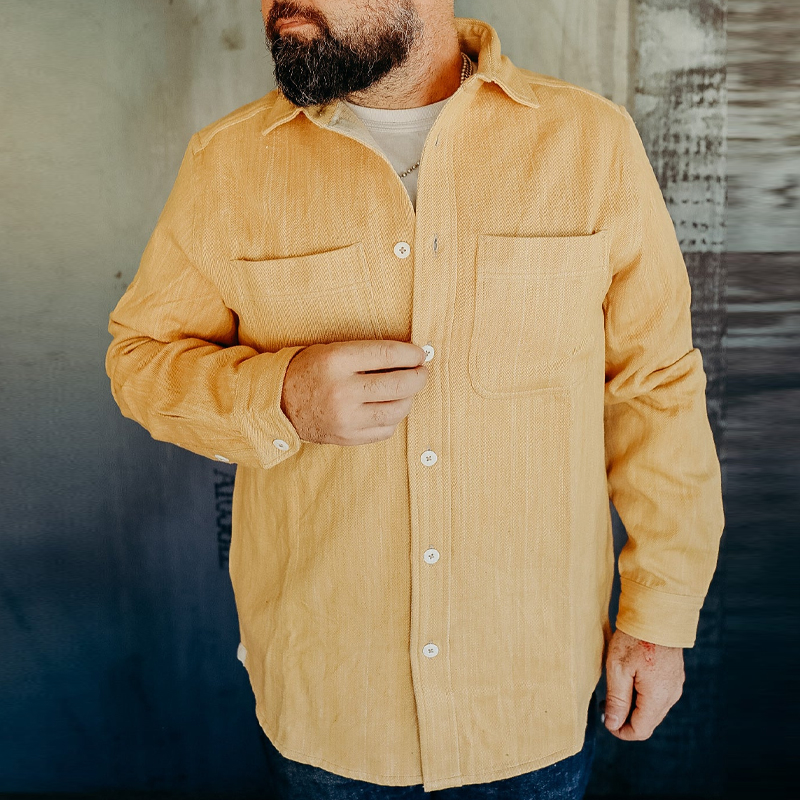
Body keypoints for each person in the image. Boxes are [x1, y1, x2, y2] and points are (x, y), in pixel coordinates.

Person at [104, 1, 725, 797]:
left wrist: (657, 618)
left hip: (530, 699)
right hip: (331, 709)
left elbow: (654, 387)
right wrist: (280, 394)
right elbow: (141, 360)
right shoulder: (228, 162)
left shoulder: (591, 144)